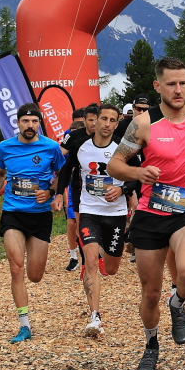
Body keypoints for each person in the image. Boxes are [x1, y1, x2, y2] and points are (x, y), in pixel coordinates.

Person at [108, 57, 185, 370]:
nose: (179, 90)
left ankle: (177, 303)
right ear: (158, 86)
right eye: (172, 84)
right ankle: (151, 346)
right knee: (150, 293)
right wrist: (138, 170)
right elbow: (115, 165)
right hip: (151, 214)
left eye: (183, 83)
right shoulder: (143, 124)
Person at [0, 104, 65, 343]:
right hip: (13, 213)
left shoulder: (51, 148)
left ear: (39, 124)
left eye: (34, 122)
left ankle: (26, 317)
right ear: (17, 123)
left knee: (35, 275)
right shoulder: (4, 147)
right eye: (25, 121)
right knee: (16, 267)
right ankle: (24, 325)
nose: (30, 126)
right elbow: (0, 172)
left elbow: (61, 175)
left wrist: (51, 192)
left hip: (40, 216)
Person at [53, 104, 132, 337]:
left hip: (116, 213)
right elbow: (67, 169)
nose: (107, 124)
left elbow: (136, 175)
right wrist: (59, 193)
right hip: (89, 210)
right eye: (103, 119)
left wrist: (124, 189)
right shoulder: (80, 145)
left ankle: (108, 250)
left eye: (112, 120)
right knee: (90, 260)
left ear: (117, 124)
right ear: (94, 121)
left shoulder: (123, 147)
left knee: (112, 268)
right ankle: (95, 316)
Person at [60, 105, 99, 271]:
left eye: (98, 119)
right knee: (79, 223)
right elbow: (58, 155)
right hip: (78, 186)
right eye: (91, 119)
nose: (95, 123)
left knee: (100, 224)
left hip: (102, 188)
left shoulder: (110, 136)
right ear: (84, 120)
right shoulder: (73, 136)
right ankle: (83, 261)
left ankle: (99, 256)